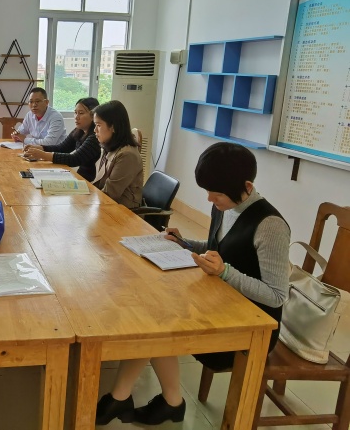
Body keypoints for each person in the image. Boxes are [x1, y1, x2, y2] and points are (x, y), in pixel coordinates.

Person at [95, 142, 290, 426]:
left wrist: (225, 273)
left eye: (216, 193)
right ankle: (156, 401)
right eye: (208, 191)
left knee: (159, 321)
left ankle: (132, 399)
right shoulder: (224, 206)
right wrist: (184, 242)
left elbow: (276, 296)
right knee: (153, 312)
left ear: (247, 186)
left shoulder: (270, 225)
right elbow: (218, 247)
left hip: (250, 325)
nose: (210, 198)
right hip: (217, 300)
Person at [23, 97, 101, 181]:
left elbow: (74, 159)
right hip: (79, 177)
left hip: (89, 181)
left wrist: (43, 155)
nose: (76, 117)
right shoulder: (79, 131)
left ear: (93, 115)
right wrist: (41, 148)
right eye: (75, 113)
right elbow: (62, 148)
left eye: (81, 113)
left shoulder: (95, 137)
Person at [91, 100, 143, 207]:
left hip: (124, 211)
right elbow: (100, 183)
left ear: (113, 127)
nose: (95, 130)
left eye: (98, 125)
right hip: (107, 204)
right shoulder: (109, 146)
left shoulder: (127, 155)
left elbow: (110, 194)